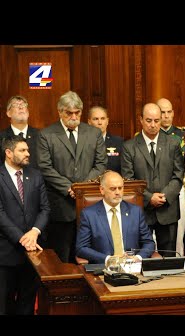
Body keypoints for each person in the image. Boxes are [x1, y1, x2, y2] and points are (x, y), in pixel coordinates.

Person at [37, 91, 108, 263]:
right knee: (62, 257)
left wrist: (81, 188)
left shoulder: (93, 133)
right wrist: (68, 187)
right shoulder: (46, 135)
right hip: (61, 206)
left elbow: (100, 164)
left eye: (77, 112)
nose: (74, 116)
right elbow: (45, 167)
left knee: (89, 255)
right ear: (60, 112)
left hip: (89, 204)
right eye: (69, 113)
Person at [121, 103, 184, 256]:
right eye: (149, 120)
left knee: (168, 259)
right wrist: (149, 198)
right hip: (141, 211)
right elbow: (129, 180)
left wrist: (164, 196)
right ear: (141, 120)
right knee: (141, 258)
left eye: (157, 120)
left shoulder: (173, 143)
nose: (153, 125)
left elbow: (178, 175)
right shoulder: (129, 147)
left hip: (167, 210)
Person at [0, 135, 50, 315]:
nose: (28, 154)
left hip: (33, 252)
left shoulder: (35, 175)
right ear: (8, 153)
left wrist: (34, 232)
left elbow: (45, 209)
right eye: (22, 150)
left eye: (27, 150)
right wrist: (23, 237)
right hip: (6, 252)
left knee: (27, 302)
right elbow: (0, 214)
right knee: (4, 303)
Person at [76, 171, 155, 264]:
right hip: (104, 269)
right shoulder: (89, 214)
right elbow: (81, 248)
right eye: (113, 189)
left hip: (133, 267)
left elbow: (149, 243)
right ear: (102, 190)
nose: (118, 192)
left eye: (120, 188)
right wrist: (107, 259)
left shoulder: (135, 212)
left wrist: (138, 257)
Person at [156, 97, 185, 256]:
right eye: (162, 112)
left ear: (173, 113)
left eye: (169, 112)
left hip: (177, 188)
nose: (166, 116)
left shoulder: (183, 135)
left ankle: (177, 259)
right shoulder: (150, 135)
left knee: (178, 231)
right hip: (154, 190)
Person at [0, 95, 40, 168]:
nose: (21, 107)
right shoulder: (1, 137)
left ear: (28, 113)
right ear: (8, 113)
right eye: (16, 105)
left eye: (24, 105)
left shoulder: (41, 135)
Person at [87, 106, 123, 173]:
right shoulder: (83, 142)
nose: (100, 122)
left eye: (103, 118)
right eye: (95, 119)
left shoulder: (119, 142)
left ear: (107, 121)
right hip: (90, 181)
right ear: (89, 122)